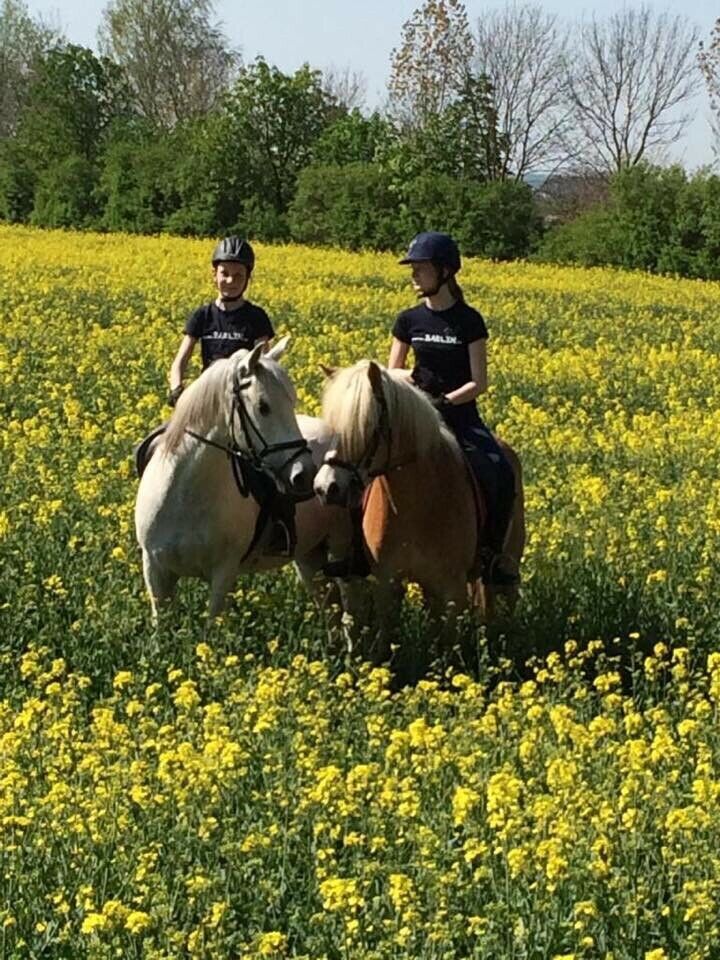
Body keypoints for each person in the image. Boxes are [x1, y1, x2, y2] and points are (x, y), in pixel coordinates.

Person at [388, 231, 518, 586]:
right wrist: (415, 385)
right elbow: (392, 370)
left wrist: (445, 401)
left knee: (499, 469)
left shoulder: (469, 321)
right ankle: (360, 552)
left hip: (460, 417)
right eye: (412, 269)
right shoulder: (408, 320)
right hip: (417, 417)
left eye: (421, 269)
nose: (414, 275)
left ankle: (492, 554)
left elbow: (479, 382)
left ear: (445, 272)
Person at [167, 235, 273, 406]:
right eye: (225, 274)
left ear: (248, 277)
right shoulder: (202, 316)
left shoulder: (257, 317)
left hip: (243, 401)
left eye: (238, 275)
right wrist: (176, 389)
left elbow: (265, 364)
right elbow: (180, 361)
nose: (231, 281)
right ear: (214, 275)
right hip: (208, 397)